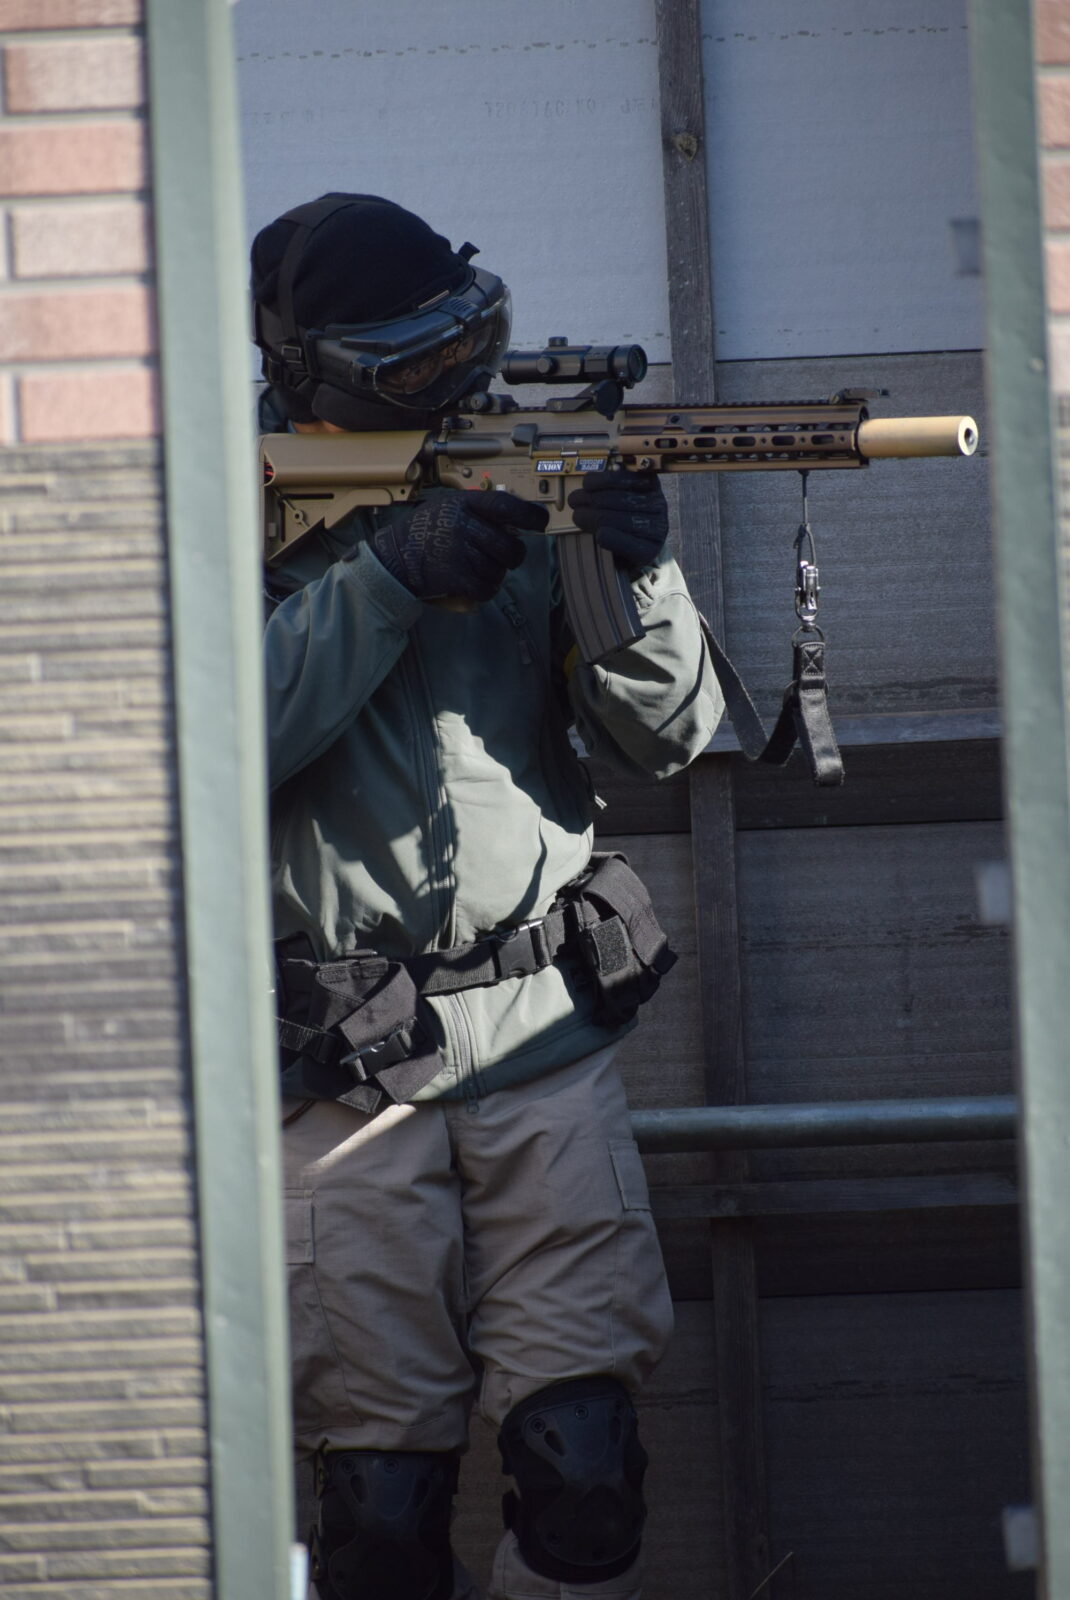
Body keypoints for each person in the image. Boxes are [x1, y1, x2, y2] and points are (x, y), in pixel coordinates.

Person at [252, 192, 724, 1600]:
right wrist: (385, 579)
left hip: (542, 1046)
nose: (456, 385)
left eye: (467, 344)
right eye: (413, 365)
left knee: (585, 1475)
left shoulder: (521, 476)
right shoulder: (217, 506)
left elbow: (667, 740)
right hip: (338, 1077)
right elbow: (208, 741)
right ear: (311, 371)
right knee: (381, 1510)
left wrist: (631, 574)